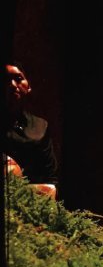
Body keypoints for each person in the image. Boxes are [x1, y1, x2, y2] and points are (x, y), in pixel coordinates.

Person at [2, 61, 59, 190]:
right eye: (5, 80)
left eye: (18, 78)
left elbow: (51, 179)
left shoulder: (40, 126)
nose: (12, 85)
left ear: (28, 87)